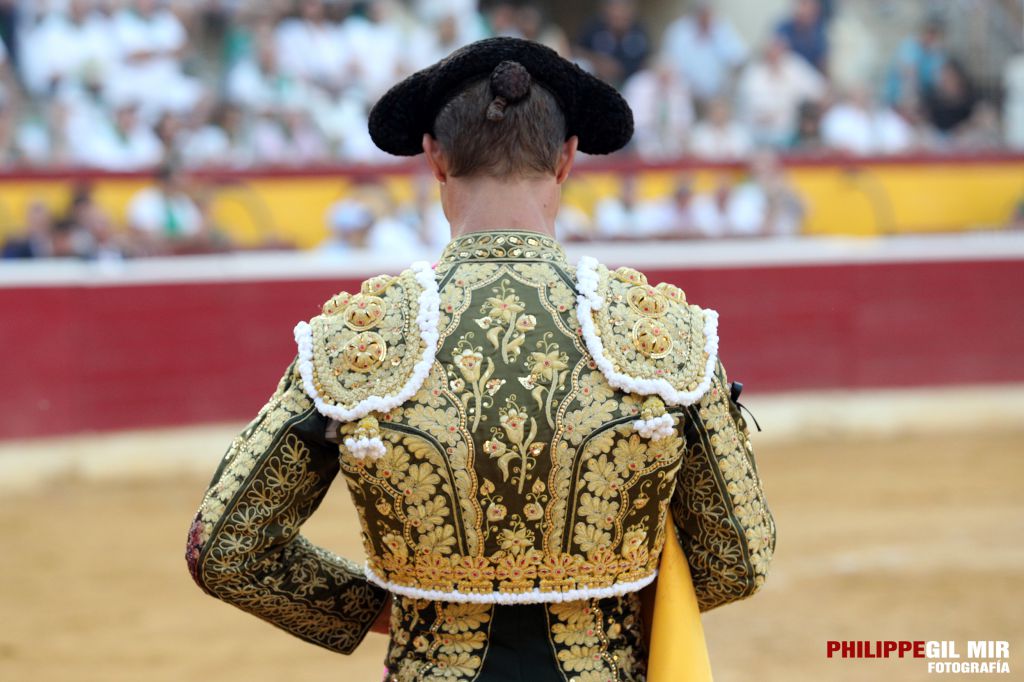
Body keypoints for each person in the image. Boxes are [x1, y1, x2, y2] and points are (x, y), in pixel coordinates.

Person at [186, 37, 775, 680]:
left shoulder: (359, 338)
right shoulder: (660, 333)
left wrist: (390, 608)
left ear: (435, 159)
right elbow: (736, 558)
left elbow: (224, 548)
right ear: (567, 158)